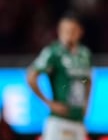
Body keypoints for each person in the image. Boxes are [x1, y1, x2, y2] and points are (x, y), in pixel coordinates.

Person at [27, 12, 92, 140]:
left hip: (78, 120)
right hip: (59, 120)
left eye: (72, 30)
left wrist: (86, 104)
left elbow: (88, 80)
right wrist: (49, 103)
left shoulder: (85, 54)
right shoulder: (54, 52)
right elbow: (31, 76)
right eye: (65, 30)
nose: (68, 34)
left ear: (80, 31)